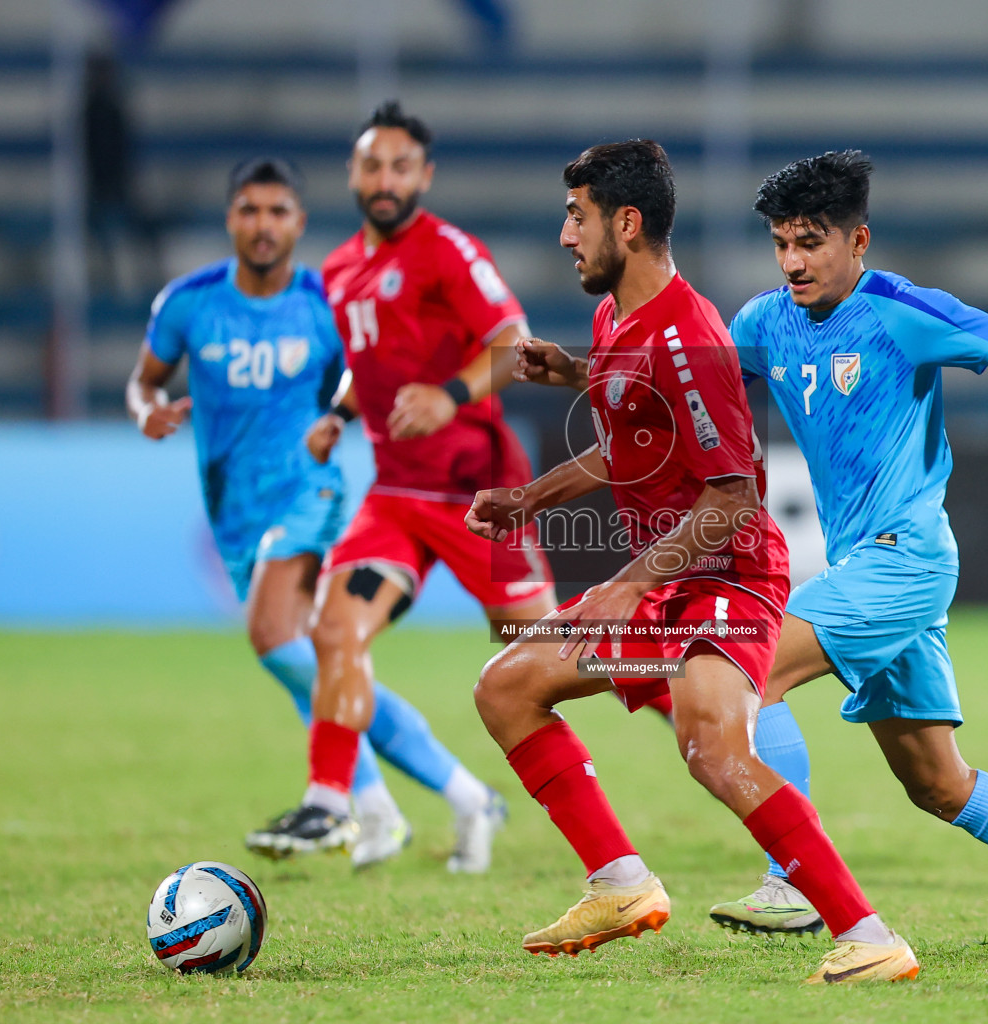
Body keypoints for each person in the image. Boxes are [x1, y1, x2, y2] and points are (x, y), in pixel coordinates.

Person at [520, 149, 988, 946]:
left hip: (907, 559)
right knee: (937, 784)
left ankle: (789, 882)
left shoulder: (902, 312)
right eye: (782, 244)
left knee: (742, 671)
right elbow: (681, 381)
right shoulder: (764, 321)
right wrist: (577, 373)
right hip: (863, 566)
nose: (793, 262)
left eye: (811, 243)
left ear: (857, 242)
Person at [466, 140, 921, 985]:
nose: (566, 235)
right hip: (663, 580)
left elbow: (732, 499)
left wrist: (624, 583)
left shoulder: (690, 336)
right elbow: (630, 444)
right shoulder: (615, 321)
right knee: (506, 686)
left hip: (728, 578)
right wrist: (530, 495)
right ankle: (620, 882)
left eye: (578, 216)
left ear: (626, 224)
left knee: (712, 744)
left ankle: (869, 936)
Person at [128, 157, 498, 872]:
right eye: (249, 210)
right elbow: (143, 380)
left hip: (310, 494)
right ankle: (432, 800)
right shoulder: (189, 302)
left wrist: (338, 414)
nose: (263, 225)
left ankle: (340, 804)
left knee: (277, 638)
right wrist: (148, 412)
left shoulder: (326, 300)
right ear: (230, 218)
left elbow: (372, 364)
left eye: (277, 212)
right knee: (316, 666)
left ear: (298, 221)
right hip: (234, 512)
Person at [242, 102, 557, 872]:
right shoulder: (342, 270)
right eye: (372, 165)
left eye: (400, 166)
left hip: (478, 494)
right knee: (334, 629)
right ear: (353, 174)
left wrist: (450, 394)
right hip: (397, 497)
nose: (385, 180)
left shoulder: (448, 251)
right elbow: (374, 359)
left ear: (425, 175)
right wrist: (341, 413)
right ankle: (328, 802)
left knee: (548, 665)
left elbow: (514, 345)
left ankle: (678, 710)